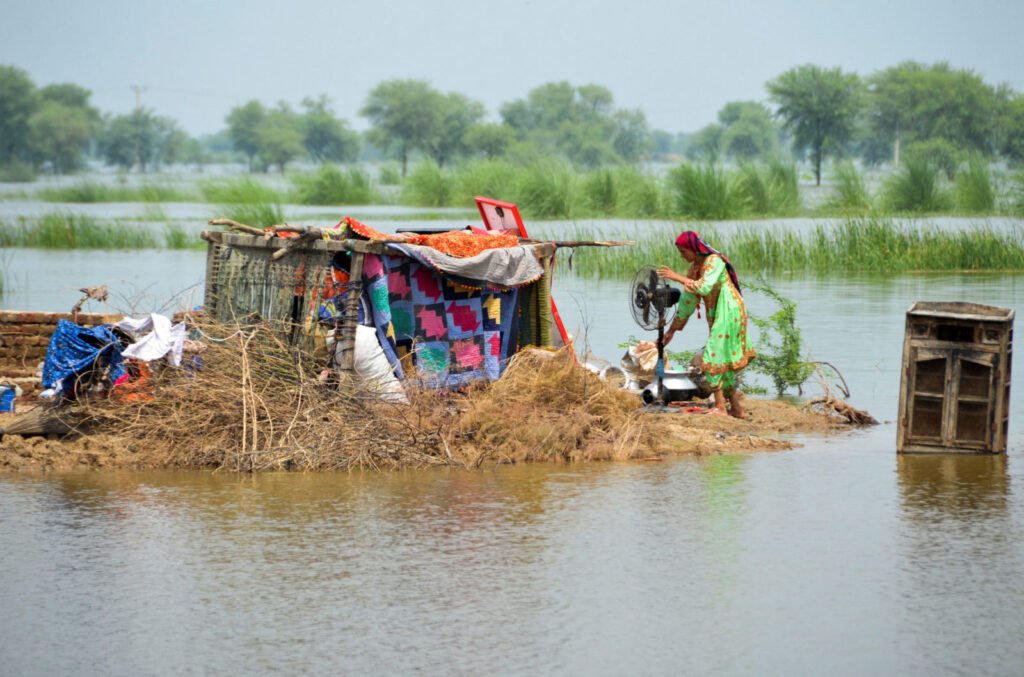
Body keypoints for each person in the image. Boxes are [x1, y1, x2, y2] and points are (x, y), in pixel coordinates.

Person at [657, 231, 755, 417]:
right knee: (723, 360)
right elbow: (687, 302)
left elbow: (704, 287)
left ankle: (720, 407)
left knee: (712, 358)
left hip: (729, 312)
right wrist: (671, 332)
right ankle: (736, 408)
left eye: (683, 251)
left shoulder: (714, 261)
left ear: (694, 249)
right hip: (717, 314)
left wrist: (676, 277)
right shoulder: (694, 270)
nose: (682, 255)